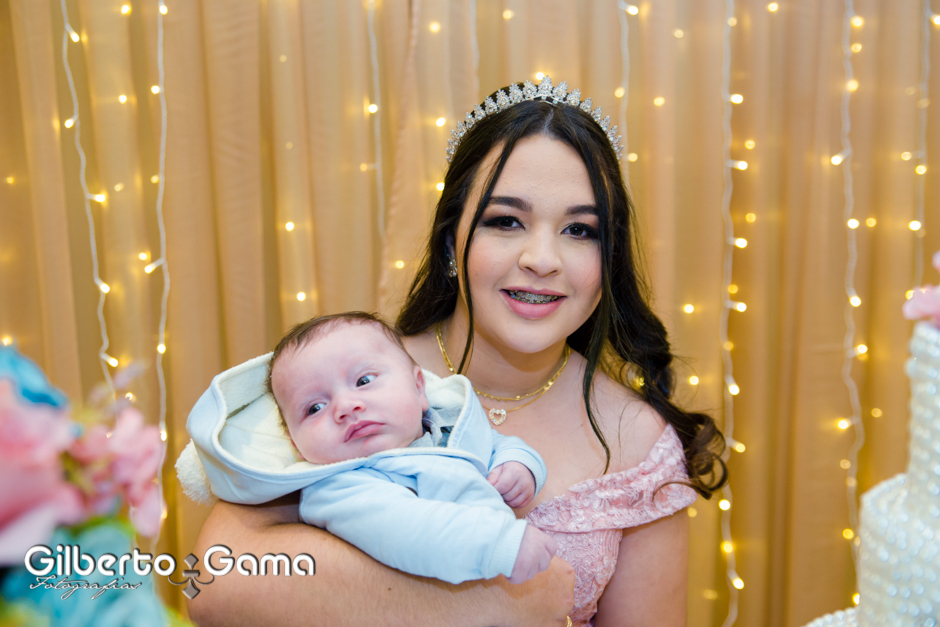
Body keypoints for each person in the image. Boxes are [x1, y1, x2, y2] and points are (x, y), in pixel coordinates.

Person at [189, 77, 726, 626]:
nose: (543, 259)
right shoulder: (342, 387)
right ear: (452, 243)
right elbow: (213, 582)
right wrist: (496, 605)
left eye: (579, 230)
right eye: (506, 221)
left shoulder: (637, 440)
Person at [186, 311, 558, 584]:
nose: (346, 407)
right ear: (296, 445)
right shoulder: (340, 489)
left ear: (419, 388)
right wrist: (498, 544)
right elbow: (410, 532)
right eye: (314, 407)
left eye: (364, 380)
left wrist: (518, 464)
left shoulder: (447, 427)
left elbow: (494, 443)